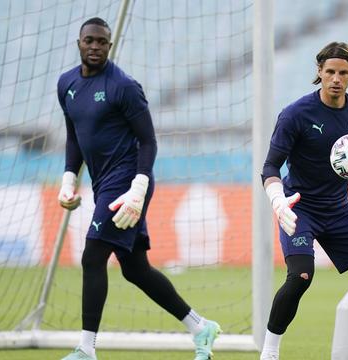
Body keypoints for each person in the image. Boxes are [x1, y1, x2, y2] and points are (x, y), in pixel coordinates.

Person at [56, 17, 220, 360]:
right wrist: (69, 180)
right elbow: (75, 136)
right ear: (79, 43)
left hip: (128, 182)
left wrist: (138, 188)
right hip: (103, 185)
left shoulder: (123, 86)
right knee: (135, 269)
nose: (95, 47)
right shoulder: (66, 84)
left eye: (102, 42)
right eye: (90, 41)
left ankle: (86, 349)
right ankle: (200, 327)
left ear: (110, 46)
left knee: (92, 256)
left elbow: (148, 141)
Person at [259, 41, 348, 360]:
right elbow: (269, 166)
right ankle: (269, 352)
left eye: (343, 72)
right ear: (319, 72)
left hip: (338, 212)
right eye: (330, 71)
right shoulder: (295, 114)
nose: (336, 78)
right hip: (299, 208)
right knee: (301, 276)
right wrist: (278, 201)